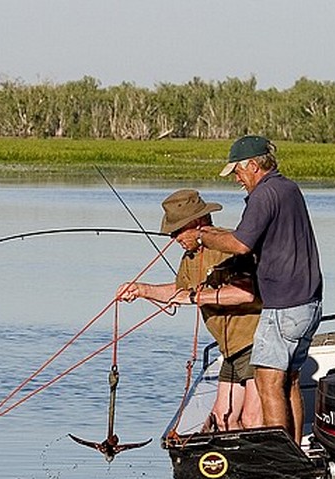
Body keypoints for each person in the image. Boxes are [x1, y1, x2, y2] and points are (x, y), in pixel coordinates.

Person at [195, 135, 323, 444]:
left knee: (267, 383)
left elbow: (240, 242)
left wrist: (206, 238)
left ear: (253, 165)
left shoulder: (264, 195)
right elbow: (271, 244)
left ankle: (279, 458)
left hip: (282, 305)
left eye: (237, 171)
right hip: (309, 302)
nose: (237, 179)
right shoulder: (289, 189)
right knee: (289, 381)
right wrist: (231, 267)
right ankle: (294, 455)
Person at [116, 189, 263, 431]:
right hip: (230, 348)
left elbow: (244, 293)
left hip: (254, 341)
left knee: (252, 419)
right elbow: (180, 292)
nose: (174, 238)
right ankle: (236, 467)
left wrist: (195, 296)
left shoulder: (229, 245)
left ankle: (267, 465)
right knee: (223, 418)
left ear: (197, 223)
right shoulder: (191, 256)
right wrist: (141, 290)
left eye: (177, 231)